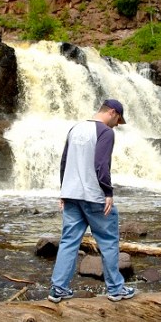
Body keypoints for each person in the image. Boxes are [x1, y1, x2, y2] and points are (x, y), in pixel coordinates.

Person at [48, 99, 136, 303]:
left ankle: (58, 289)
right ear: (112, 113)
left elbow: (64, 161)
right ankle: (115, 289)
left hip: (72, 195)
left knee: (68, 242)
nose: (117, 125)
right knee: (108, 242)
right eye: (118, 120)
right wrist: (108, 192)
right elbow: (101, 164)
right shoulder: (105, 132)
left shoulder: (75, 128)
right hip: (94, 197)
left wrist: (64, 190)